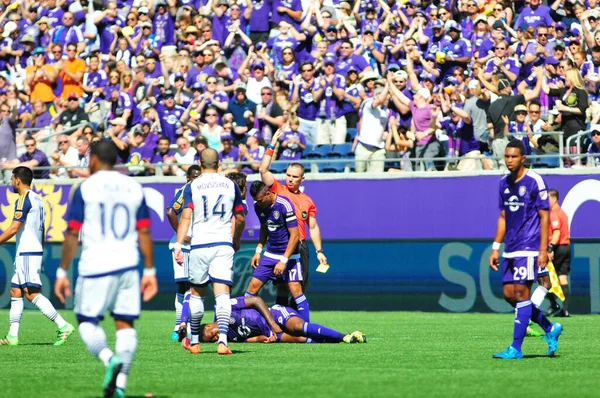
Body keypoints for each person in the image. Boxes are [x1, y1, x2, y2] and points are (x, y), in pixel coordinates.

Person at [54, 141, 158, 398]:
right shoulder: (134, 187)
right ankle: (120, 386)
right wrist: (149, 271)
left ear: (93, 160)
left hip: (96, 264)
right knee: (125, 324)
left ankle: (108, 357)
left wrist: (62, 271)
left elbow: (72, 232)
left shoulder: (85, 188)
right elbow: (144, 230)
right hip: (128, 264)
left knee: (87, 322)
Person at [489, 140, 562, 360]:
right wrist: (495, 246)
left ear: (523, 158)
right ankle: (549, 328)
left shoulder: (534, 181)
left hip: (529, 246)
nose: (509, 160)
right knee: (509, 295)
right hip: (510, 247)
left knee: (522, 294)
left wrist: (543, 249)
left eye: (513, 157)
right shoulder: (503, 183)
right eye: (506, 157)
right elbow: (503, 217)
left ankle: (515, 348)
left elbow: (544, 216)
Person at [174, 148, 245, 355]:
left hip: (199, 244)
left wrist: (178, 245)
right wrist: (236, 239)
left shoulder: (193, 185)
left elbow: (185, 217)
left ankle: (194, 342)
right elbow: (240, 218)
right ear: (219, 163)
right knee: (222, 293)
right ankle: (223, 341)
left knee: (196, 293)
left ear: (199, 162)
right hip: (223, 243)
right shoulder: (230, 184)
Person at [0, 167, 75, 347]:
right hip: (29, 250)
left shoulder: (24, 199)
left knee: (31, 294)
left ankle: (63, 325)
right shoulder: (38, 199)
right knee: (15, 291)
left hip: (27, 251)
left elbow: (13, 228)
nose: (11, 182)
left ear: (18, 180)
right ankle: (12, 336)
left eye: (12, 179)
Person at [259, 130, 328, 306]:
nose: (290, 179)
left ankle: (297, 325)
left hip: (300, 245)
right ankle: (282, 323)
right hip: (282, 243)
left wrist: (319, 251)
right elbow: (263, 169)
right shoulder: (277, 189)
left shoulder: (307, 201)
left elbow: (312, 227)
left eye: (294, 177)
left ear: (302, 179)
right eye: (288, 175)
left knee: (299, 288)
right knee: (282, 287)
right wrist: (272, 144)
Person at [247, 180, 310, 322]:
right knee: (252, 289)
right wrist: (258, 250)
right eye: (256, 201)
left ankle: (306, 329)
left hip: (289, 255)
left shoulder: (284, 205)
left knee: (295, 290)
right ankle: (248, 324)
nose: (259, 203)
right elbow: (264, 228)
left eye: (260, 200)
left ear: (268, 193)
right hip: (270, 254)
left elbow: (295, 236)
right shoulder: (258, 207)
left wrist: (283, 260)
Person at [199, 296, 366, 344]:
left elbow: (256, 300)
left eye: (211, 334)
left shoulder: (223, 308)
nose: (215, 337)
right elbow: (247, 340)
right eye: (212, 340)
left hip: (274, 315)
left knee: (298, 327)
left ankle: (344, 336)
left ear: (208, 325)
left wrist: (272, 323)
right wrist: (264, 338)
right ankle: (335, 340)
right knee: (300, 339)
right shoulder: (226, 338)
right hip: (270, 332)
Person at [166, 165, 201, 341]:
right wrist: (183, 234)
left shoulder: (201, 191)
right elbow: (171, 212)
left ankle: (183, 325)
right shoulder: (185, 190)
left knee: (192, 286)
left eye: (199, 176)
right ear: (187, 178)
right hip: (184, 245)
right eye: (193, 177)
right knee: (185, 286)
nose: (196, 180)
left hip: (198, 244)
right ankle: (180, 325)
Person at [546, 189, 571, 317]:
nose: (545, 201)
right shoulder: (563, 214)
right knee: (563, 277)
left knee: (544, 277)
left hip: (558, 248)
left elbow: (556, 232)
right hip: (566, 247)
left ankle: (553, 304)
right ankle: (565, 310)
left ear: (554, 199)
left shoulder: (554, 214)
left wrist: (550, 248)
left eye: (548, 198)